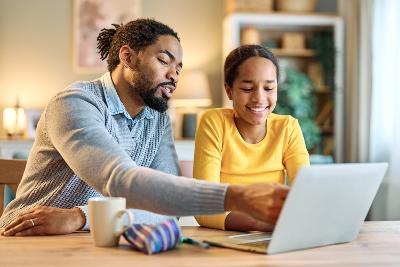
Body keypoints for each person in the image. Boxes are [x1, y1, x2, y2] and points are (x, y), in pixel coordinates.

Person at [0, 19, 289, 236]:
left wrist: (81, 217)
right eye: (164, 61)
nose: (174, 76)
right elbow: (120, 178)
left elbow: (165, 211)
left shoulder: (156, 119)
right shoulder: (75, 103)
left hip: (94, 238)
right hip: (27, 235)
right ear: (127, 57)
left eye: (178, 69)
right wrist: (237, 196)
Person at [194, 45, 310, 232]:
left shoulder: (288, 127)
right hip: (229, 236)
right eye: (248, 88)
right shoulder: (214, 123)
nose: (259, 98)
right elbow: (204, 207)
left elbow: (306, 193)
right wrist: (264, 224)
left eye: (269, 88)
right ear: (229, 90)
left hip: (274, 234)